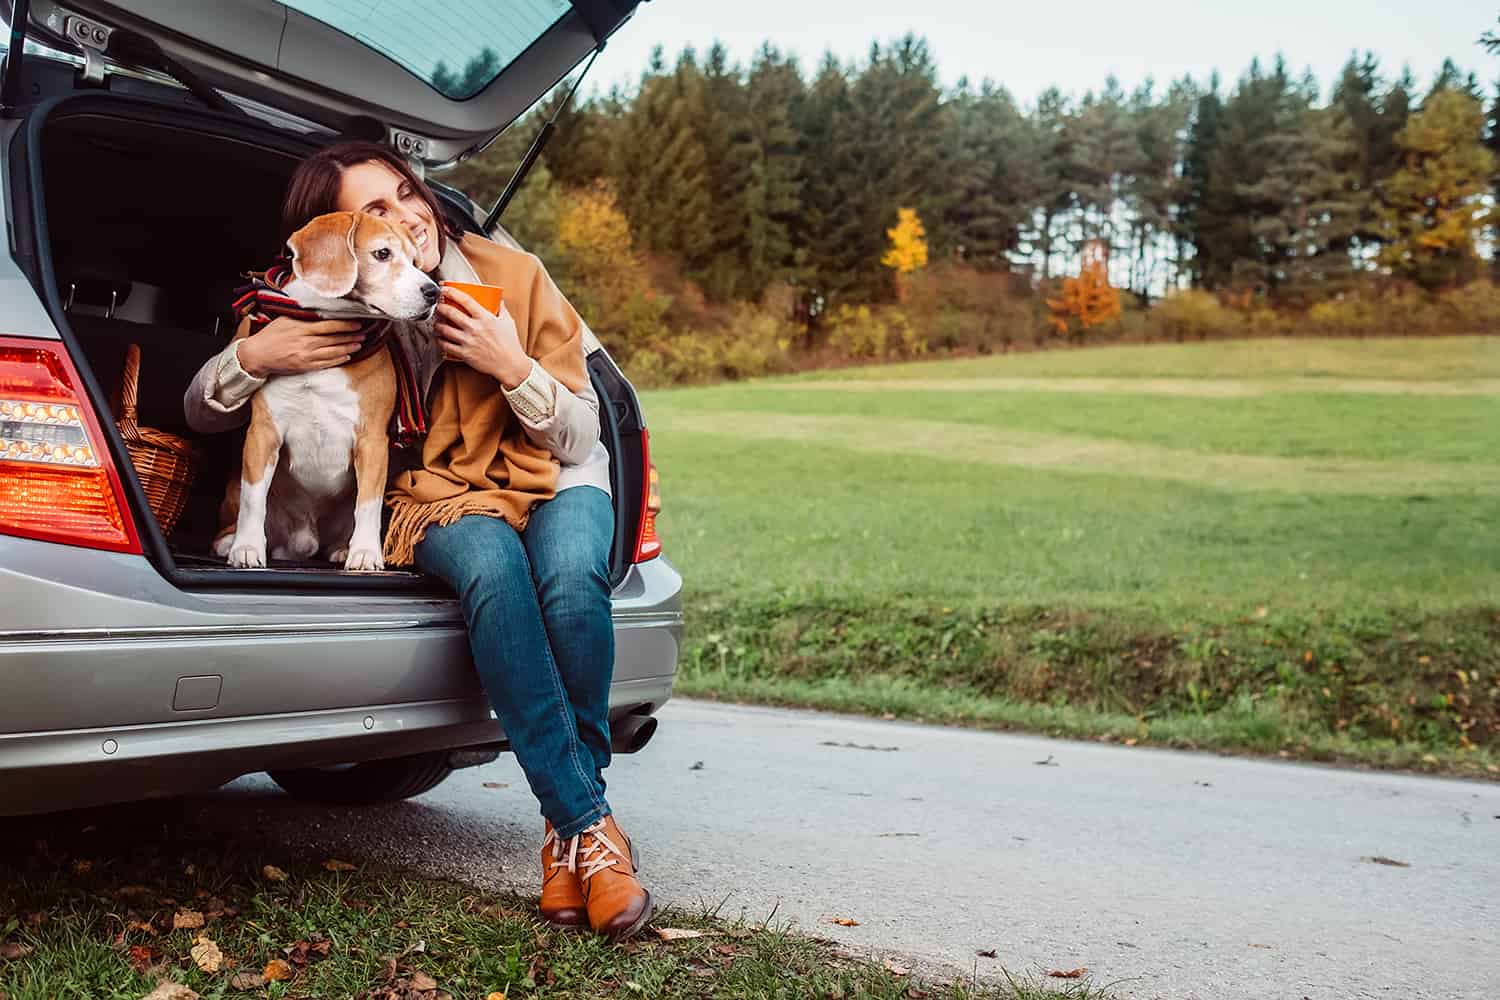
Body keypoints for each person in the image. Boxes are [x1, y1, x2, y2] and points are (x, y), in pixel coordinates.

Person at [183, 140, 652, 942]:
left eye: (406, 192)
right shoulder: (335, 306)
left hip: (554, 472)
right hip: (433, 498)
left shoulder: (516, 277)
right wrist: (254, 355)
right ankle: (590, 832)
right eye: (377, 210)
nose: (406, 216)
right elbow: (200, 413)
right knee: (494, 574)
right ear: (341, 237)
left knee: (572, 581)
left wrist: (512, 365)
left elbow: (582, 436)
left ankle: (572, 831)